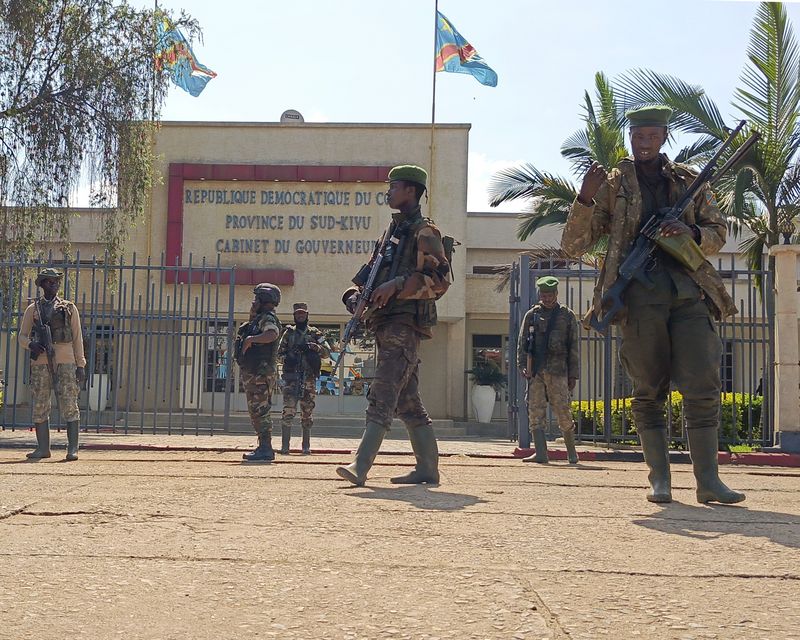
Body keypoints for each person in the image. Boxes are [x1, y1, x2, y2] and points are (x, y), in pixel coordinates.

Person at [561, 105, 745, 504]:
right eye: (637, 136)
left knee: (702, 383)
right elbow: (575, 244)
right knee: (648, 390)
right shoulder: (614, 184)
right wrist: (585, 199)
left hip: (689, 292)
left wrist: (690, 230)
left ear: (664, 137)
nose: (643, 143)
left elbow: (717, 232)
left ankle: (708, 482)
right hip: (639, 299)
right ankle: (659, 479)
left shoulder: (689, 181)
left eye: (651, 136)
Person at [336, 164, 451, 486]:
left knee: (384, 391)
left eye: (394, 186)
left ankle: (360, 465)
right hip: (384, 322)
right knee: (408, 401)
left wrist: (399, 285)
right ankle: (427, 469)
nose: (388, 191)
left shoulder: (424, 232)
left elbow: (441, 280)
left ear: (411, 191)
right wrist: (356, 298)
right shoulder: (392, 233)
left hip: (405, 323)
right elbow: (370, 279)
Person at [18, 267, 86, 461]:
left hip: (66, 361)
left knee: (69, 403)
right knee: (40, 403)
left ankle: (72, 449)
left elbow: (77, 338)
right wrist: (32, 344)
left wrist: (80, 365)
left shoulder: (69, 308)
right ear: (41, 284)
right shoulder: (33, 309)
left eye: (56, 281)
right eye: (49, 281)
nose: (53, 284)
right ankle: (43, 448)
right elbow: (22, 336)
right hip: (40, 362)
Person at [517, 276, 580, 464]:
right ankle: (541, 453)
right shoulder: (531, 315)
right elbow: (522, 343)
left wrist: (573, 374)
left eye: (550, 294)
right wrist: (522, 365)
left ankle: (571, 452)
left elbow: (573, 346)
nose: (547, 298)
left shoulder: (567, 316)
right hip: (536, 370)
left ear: (556, 294)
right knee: (535, 410)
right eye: (543, 295)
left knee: (563, 410)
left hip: (559, 370)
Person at [235, 283, 282, 462]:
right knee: (256, 410)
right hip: (255, 372)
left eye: (257, 298)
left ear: (264, 299)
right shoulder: (258, 318)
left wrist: (251, 340)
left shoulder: (267, 318)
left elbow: (272, 334)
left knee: (260, 410)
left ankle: (265, 449)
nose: (254, 301)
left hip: (261, 373)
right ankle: (263, 446)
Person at [277, 302, 330, 455]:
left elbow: (326, 352)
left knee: (307, 411)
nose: (300, 316)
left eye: (303, 313)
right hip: (291, 378)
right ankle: (285, 446)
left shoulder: (315, 333)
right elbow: (279, 354)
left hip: (309, 379)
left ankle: (306, 446)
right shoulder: (288, 333)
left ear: (307, 315)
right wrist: (289, 358)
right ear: (294, 316)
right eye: (298, 314)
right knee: (288, 410)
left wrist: (314, 348)